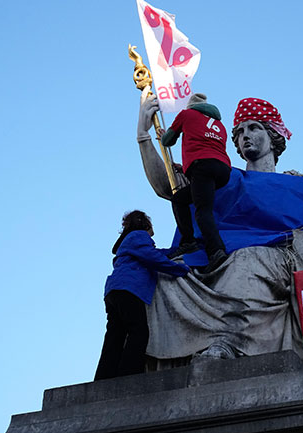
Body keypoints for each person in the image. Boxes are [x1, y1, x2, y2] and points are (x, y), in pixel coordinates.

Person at [94, 210, 190, 380]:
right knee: (138, 332)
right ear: (145, 225)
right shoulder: (138, 235)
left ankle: (104, 377)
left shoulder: (129, 242)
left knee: (115, 336)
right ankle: (128, 375)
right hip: (129, 290)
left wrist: (175, 251)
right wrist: (180, 269)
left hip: (114, 290)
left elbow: (154, 253)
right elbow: (152, 257)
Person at [160, 93, 232, 272]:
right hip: (223, 170)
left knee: (202, 212)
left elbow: (168, 141)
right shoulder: (219, 125)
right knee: (180, 199)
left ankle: (215, 251)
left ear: (191, 106)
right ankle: (188, 240)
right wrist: (184, 167)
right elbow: (207, 146)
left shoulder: (186, 114)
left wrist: (163, 134)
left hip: (202, 166)